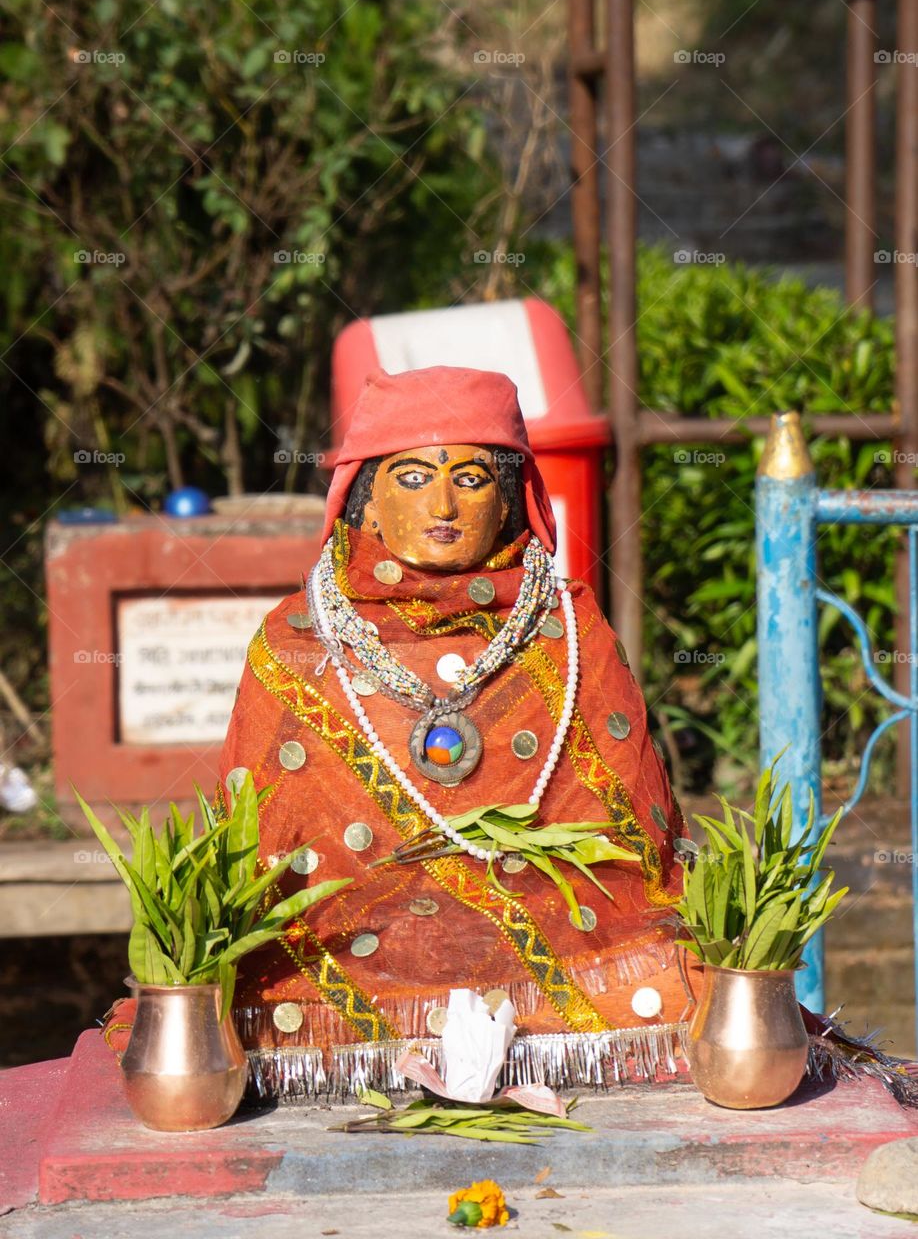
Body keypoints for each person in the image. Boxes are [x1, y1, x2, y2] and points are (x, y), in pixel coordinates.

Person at [208, 365, 697, 1099]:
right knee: (249, 998)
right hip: (346, 945)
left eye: (470, 479)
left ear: (509, 500)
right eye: (411, 478)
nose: (442, 505)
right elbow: (265, 860)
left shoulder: (568, 629)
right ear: (367, 502)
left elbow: (632, 853)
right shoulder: (298, 641)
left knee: (670, 971)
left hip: (561, 936)